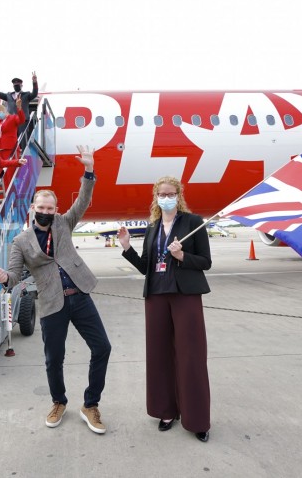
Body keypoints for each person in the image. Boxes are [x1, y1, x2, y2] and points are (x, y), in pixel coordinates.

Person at [0, 146, 112, 435]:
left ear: (55, 210)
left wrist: (89, 170)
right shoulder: (20, 241)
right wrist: (3, 276)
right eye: (40, 208)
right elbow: (15, 274)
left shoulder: (63, 223)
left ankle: (90, 404)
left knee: (102, 348)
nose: (45, 212)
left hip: (80, 295)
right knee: (53, 359)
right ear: (33, 208)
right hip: (51, 303)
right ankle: (59, 402)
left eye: (50, 208)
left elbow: (83, 200)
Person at [116, 176, 212, 443]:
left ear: (179, 195)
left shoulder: (193, 222)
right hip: (156, 295)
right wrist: (127, 248)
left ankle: (197, 419)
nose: (166, 197)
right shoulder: (153, 227)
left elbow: (206, 262)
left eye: (170, 193)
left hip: (185, 296)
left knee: (191, 356)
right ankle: (166, 411)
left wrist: (182, 256)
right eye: (161, 193)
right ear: (156, 196)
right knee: (159, 356)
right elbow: (146, 265)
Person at [0, 71, 38, 150]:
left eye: (18, 85)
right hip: (11, 120)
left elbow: (35, 93)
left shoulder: (26, 94)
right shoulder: (8, 95)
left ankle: (22, 153)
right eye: (15, 85)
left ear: (21, 85)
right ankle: (12, 153)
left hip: (23, 120)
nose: (16, 86)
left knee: (22, 138)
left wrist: (34, 82)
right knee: (12, 137)